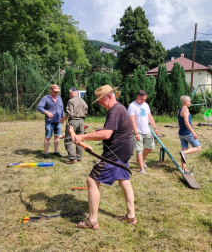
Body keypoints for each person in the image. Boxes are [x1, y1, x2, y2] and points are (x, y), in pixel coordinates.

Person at [71, 85, 137, 230]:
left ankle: (92, 221)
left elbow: (107, 135)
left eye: (101, 100)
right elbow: (115, 130)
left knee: (92, 180)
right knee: (124, 181)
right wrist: (102, 131)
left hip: (115, 153)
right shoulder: (120, 108)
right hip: (124, 151)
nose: (100, 103)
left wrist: (82, 136)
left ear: (110, 96)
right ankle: (131, 216)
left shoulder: (114, 111)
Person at [128, 90, 159, 174]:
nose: (144, 101)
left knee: (150, 147)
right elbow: (132, 121)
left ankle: (140, 160)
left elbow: (150, 116)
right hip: (137, 131)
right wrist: (136, 133)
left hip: (147, 130)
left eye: (145, 99)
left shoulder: (145, 105)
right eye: (142, 99)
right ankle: (142, 168)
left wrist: (155, 128)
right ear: (138, 96)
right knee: (139, 149)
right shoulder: (132, 106)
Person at [37, 84, 64, 158]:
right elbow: (39, 107)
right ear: (51, 90)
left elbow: (62, 109)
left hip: (58, 121)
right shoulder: (46, 98)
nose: (56, 93)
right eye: (55, 91)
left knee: (57, 136)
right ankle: (46, 153)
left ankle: (56, 151)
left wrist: (62, 119)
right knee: (47, 137)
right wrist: (47, 112)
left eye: (57, 91)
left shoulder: (59, 98)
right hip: (49, 121)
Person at [62, 87, 88, 164]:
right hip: (81, 121)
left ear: (73, 93)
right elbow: (86, 109)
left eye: (70, 94)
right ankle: (79, 158)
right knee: (80, 139)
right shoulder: (83, 101)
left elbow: (69, 113)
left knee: (68, 140)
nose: (70, 95)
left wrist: (62, 119)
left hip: (73, 121)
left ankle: (73, 158)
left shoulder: (71, 101)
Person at [178, 95, 202, 174]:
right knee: (198, 147)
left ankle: (184, 170)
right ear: (186, 102)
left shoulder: (180, 110)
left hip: (181, 133)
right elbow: (186, 122)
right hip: (187, 133)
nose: (190, 102)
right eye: (190, 101)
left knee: (185, 149)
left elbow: (180, 121)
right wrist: (193, 132)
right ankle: (183, 153)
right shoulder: (185, 110)